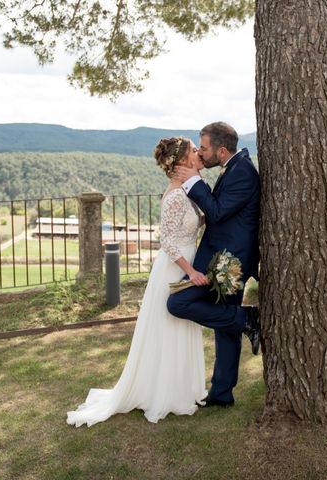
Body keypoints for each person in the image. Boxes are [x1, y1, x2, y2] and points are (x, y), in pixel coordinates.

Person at [67, 137, 208, 427]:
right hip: (175, 267)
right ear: (181, 160)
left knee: (182, 326)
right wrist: (190, 272)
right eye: (194, 150)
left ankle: (180, 388)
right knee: (170, 326)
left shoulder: (188, 189)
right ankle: (164, 393)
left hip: (187, 260)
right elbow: (166, 241)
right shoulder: (176, 195)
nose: (198, 152)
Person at [168, 121, 260, 408]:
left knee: (178, 303)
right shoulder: (234, 167)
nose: (201, 154)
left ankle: (247, 320)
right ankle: (221, 393)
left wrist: (194, 182)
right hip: (220, 259)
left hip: (230, 262)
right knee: (225, 327)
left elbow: (218, 212)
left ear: (221, 150)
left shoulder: (242, 172)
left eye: (204, 148)